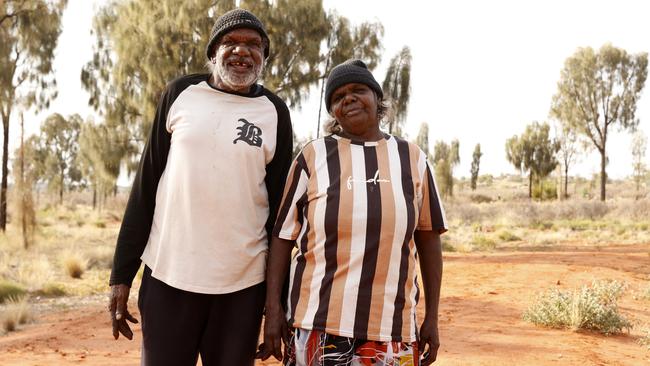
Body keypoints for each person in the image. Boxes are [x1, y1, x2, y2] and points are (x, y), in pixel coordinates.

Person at [107, 8, 293, 366]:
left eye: (254, 44)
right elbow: (145, 188)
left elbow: (280, 215)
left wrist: (276, 302)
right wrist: (121, 275)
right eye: (230, 42)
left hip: (241, 286)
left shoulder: (274, 111)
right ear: (212, 54)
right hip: (169, 278)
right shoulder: (181, 94)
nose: (242, 51)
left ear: (264, 57)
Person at [257, 59, 447, 365]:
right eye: (337, 97)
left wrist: (432, 317)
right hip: (316, 324)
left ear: (377, 99)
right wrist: (274, 311)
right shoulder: (312, 156)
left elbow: (429, 240)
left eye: (358, 90)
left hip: (392, 328)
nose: (348, 98)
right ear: (333, 112)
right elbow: (282, 238)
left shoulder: (412, 158)